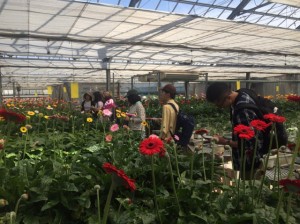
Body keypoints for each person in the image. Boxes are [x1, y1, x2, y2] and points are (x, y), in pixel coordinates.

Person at [205, 82, 265, 179]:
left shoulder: (243, 111)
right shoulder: (241, 95)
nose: (220, 107)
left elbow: (248, 144)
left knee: (250, 188)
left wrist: (224, 141)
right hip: (251, 159)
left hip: (251, 161)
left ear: (227, 97)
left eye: (219, 105)